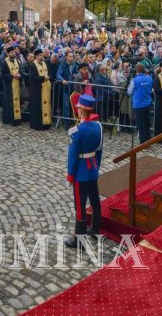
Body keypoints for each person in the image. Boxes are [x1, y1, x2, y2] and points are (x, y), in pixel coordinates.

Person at [65, 94, 103, 247]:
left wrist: (70, 176)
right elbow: (100, 151)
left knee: (80, 206)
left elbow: (73, 157)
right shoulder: (98, 126)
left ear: (80, 110)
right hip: (92, 169)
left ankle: (78, 240)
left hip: (80, 173)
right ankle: (94, 228)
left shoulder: (76, 131)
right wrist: (96, 167)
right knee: (95, 201)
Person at [128, 62, 154, 144]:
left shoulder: (134, 80)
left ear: (136, 71)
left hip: (138, 105)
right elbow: (151, 89)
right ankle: (149, 139)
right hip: (147, 103)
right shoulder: (149, 78)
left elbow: (129, 92)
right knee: (147, 123)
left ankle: (143, 142)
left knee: (140, 124)